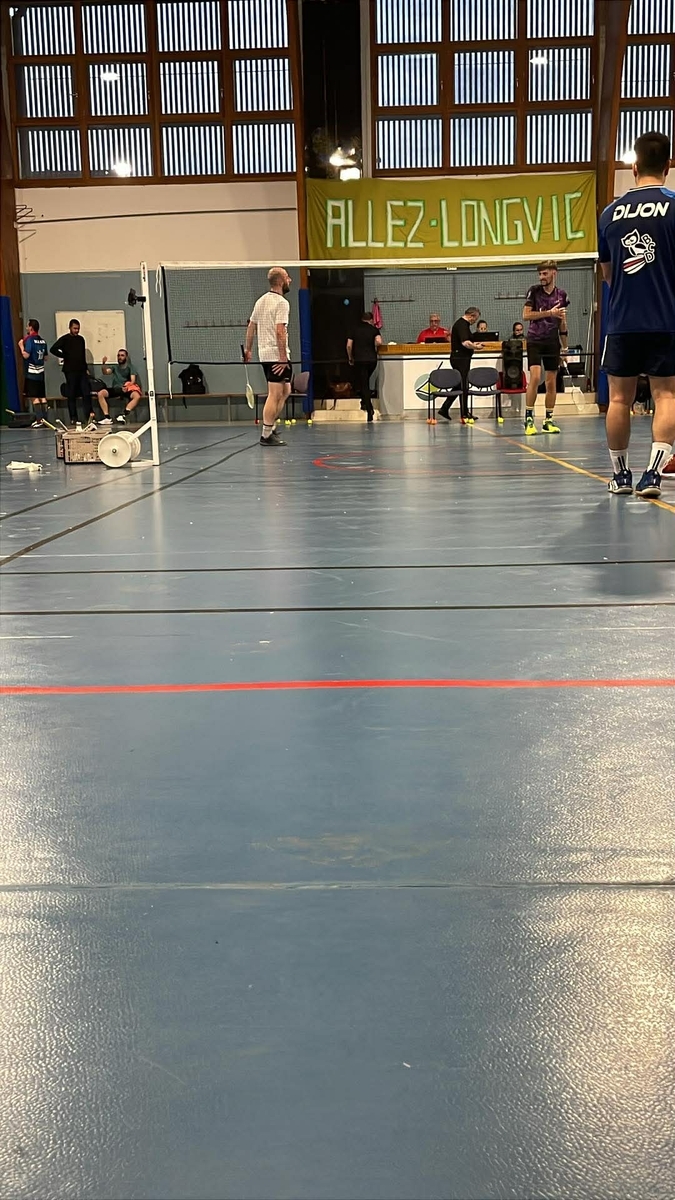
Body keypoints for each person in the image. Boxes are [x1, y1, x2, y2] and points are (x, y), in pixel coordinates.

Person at [598, 131, 675, 498]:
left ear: (634, 166)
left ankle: (621, 475)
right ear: (668, 166)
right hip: (666, 319)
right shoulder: (673, 206)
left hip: (623, 321)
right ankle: (653, 475)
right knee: (666, 396)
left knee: (618, 400)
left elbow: (608, 274)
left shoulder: (609, 213)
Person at [244, 266, 293, 447]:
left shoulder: (261, 301)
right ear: (280, 281)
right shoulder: (282, 303)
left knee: (286, 391)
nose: (290, 280)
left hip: (265, 354)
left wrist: (248, 349)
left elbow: (251, 326)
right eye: (287, 277)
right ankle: (266, 435)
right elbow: (280, 331)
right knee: (274, 394)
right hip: (276, 355)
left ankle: (270, 427)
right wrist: (282, 357)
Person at [522, 261, 568, 434]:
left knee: (551, 382)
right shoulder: (534, 291)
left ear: (554, 273)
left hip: (552, 342)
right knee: (535, 377)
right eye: (540, 274)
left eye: (545, 274)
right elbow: (526, 315)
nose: (541, 277)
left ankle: (548, 420)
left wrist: (565, 347)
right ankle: (529, 419)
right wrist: (549, 313)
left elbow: (562, 322)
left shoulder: (561, 295)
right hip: (535, 340)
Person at [438, 306, 483, 421]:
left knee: (459, 385)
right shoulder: (462, 325)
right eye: (475, 319)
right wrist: (476, 347)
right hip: (460, 359)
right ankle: (464, 413)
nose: (475, 321)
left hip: (461, 358)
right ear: (471, 316)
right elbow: (465, 342)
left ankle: (445, 408)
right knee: (464, 385)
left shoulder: (462, 324)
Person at [50, 318, 90, 425]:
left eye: (78, 329)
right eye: (74, 328)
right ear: (70, 328)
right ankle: (73, 417)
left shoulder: (81, 339)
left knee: (86, 393)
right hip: (70, 370)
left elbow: (82, 355)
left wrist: (86, 368)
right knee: (71, 394)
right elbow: (53, 349)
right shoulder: (65, 339)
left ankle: (88, 416)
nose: (76, 331)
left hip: (81, 370)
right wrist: (64, 355)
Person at [347, 311, 382, 422]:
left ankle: (369, 409)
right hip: (372, 360)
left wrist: (350, 357)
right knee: (364, 382)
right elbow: (379, 342)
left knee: (364, 383)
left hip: (359, 360)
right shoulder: (374, 330)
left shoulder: (354, 329)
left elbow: (349, 345)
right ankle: (364, 402)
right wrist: (372, 344)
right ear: (371, 320)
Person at [18, 318, 49, 426]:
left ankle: (39, 420)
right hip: (41, 373)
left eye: (27, 326)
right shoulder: (43, 341)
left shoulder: (30, 340)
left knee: (34, 397)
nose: (26, 328)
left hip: (32, 373)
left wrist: (21, 346)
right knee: (42, 397)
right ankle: (46, 420)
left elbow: (26, 355)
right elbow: (46, 358)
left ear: (31, 327)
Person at [101, 348, 143, 424]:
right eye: (118, 355)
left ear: (126, 357)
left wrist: (127, 387)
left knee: (137, 396)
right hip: (116, 389)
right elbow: (106, 372)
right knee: (101, 393)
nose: (120, 357)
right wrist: (103, 364)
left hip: (126, 389)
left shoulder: (131, 367)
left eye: (122, 355)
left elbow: (133, 380)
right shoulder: (115, 367)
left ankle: (124, 414)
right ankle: (107, 418)